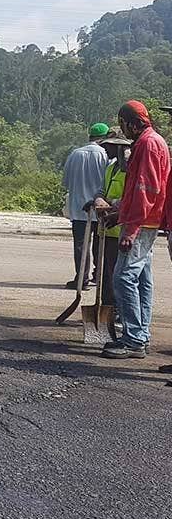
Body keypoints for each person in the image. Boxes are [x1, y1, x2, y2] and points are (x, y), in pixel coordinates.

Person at [103, 101, 169, 359]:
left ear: (130, 123)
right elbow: (137, 191)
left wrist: (131, 228)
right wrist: (120, 213)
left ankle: (133, 339)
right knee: (141, 279)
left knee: (124, 278)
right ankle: (140, 334)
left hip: (142, 223)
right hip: (144, 220)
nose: (123, 130)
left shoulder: (148, 144)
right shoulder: (150, 142)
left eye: (122, 125)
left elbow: (147, 190)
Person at [62, 123, 109, 289]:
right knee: (99, 242)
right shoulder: (106, 155)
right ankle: (99, 276)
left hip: (79, 208)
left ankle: (81, 277)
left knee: (81, 244)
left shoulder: (75, 154)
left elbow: (66, 182)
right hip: (101, 207)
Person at [92, 134, 132, 323]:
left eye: (109, 146)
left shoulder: (131, 170)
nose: (106, 150)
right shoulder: (111, 168)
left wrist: (112, 204)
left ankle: (118, 310)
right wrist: (98, 199)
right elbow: (102, 190)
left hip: (121, 230)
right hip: (105, 229)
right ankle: (106, 309)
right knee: (105, 273)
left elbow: (133, 198)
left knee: (118, 275)